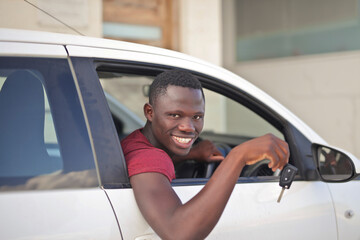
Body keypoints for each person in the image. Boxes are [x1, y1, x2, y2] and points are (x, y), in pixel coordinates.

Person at [121, 69, 289, 239]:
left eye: (197, 117)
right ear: (150, 112)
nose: (188, 127)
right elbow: (178, 233)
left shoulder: (136, 141)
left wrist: (192, 154)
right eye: (174, 115)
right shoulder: (147, 158)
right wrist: (239, 156)